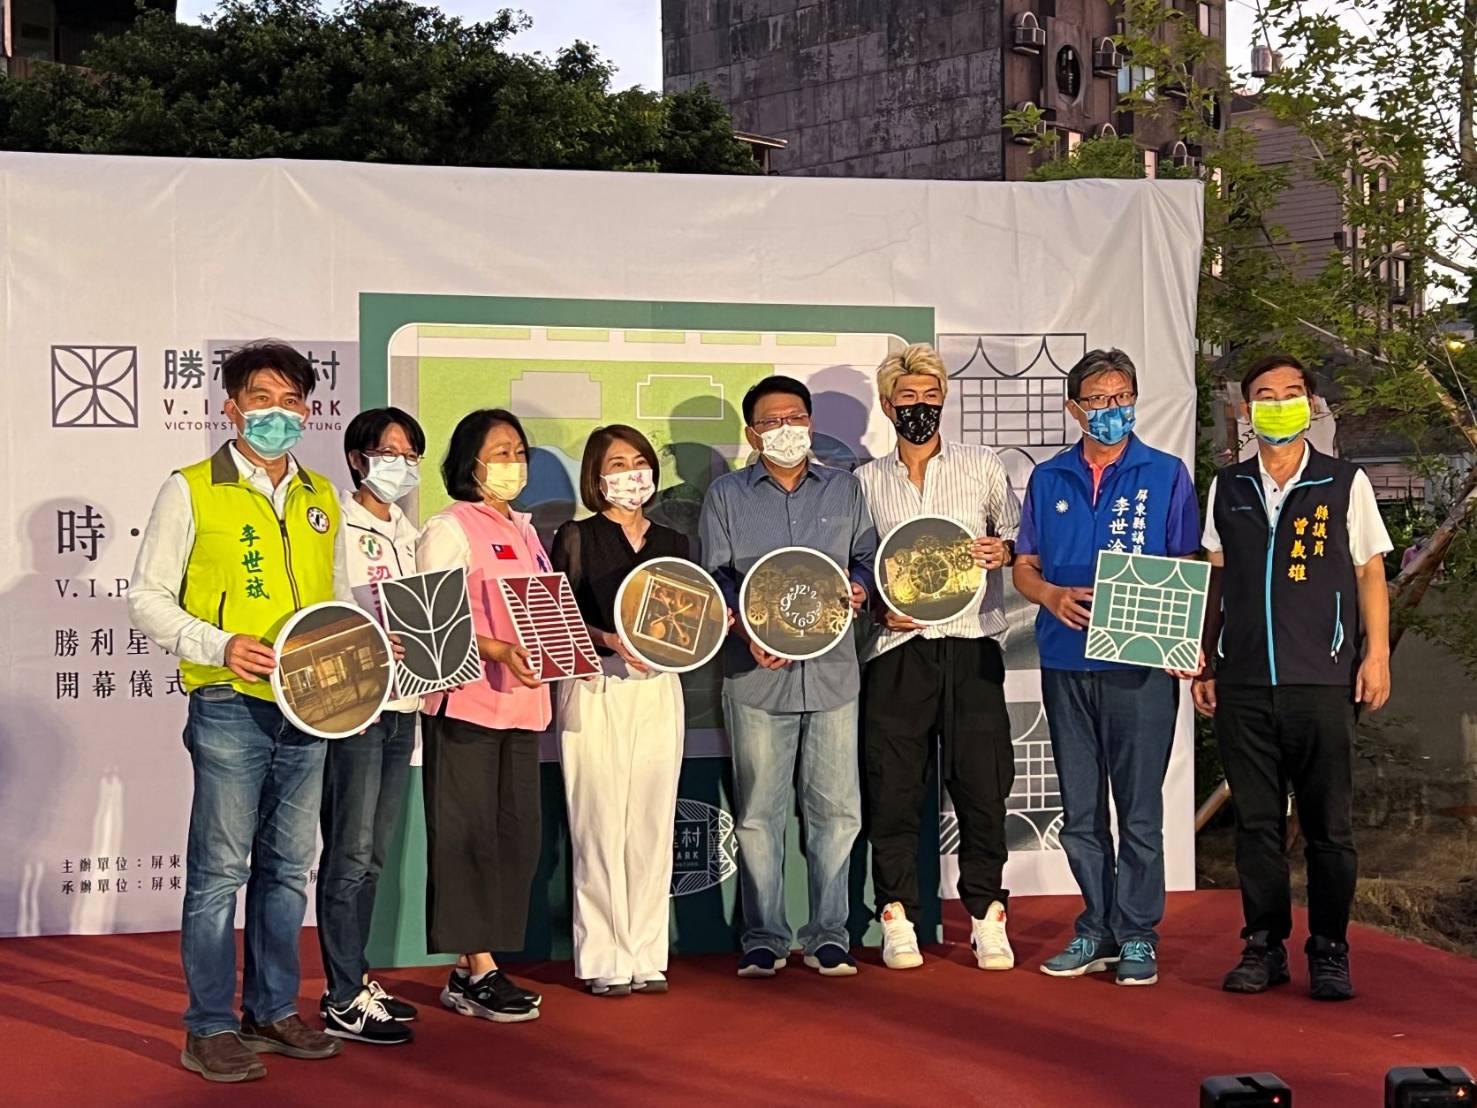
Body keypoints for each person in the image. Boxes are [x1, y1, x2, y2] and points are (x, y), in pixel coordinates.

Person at [128, 341, 348, 1082]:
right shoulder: (191, 488)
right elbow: (147, 597)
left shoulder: (320, 496)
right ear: (231, 407)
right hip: (227, 701)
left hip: (311, 707)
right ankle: (209, 1026)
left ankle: (273, 1011)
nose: (277, 414)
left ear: (308, 410)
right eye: (261, 399)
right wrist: (220, 645)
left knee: (287, 870)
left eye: (291, 401)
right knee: (220, 871)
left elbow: (337, 604)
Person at [1194, 354, 1392, 1002]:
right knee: (1256, 824)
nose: (1278, 404)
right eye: (1264, 395)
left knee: (1328, 827)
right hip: (1244, 682)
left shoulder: (1343, 482)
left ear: (1310, 404)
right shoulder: (1228, 487)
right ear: (1245, 410)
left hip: (1322, 680)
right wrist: (1205, 656)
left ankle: (1329, 949)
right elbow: (1216, 574)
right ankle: (1264, 945)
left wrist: (1376, 655)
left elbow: (1368, 571)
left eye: (1290, 393)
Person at [1012, 349, 1200, 987]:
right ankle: (1096, 925)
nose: (1111, 410)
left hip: (1140, 665)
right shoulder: (1048, 479)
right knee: (1081, 810)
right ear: (1075, 409)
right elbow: (1024, 565)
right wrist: (1049, 596)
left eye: (1121, 397)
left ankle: (1139, 932)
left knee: (1139, 811)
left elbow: (1187, 564)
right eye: (1097, 400)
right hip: (1066, 662)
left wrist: (1184, 641)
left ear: (1135, 401)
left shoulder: (1166, 474)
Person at [699, 375, 877, 979]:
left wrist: (861, 586)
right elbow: (715, 576)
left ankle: (830, 934)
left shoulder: (845, 488)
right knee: (757, 814)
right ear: (753, 434)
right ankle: (764, 937)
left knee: (838, 813)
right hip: (755, 676)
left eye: (795, 417)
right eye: (772, 422)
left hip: (832, 674)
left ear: (811, 423)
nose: (786, 430)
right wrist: (748, 630)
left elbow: (866, 558)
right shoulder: (726, 495)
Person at [855, 343, 1021, 972]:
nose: (920, 406)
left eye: (930, 395)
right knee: (894, 788)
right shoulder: (865, 482)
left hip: (972, 643)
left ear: (945, 399)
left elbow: (1018, 540)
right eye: (908, 397)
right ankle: (897, 915)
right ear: (887, 405)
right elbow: (857, 569)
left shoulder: (981, 465)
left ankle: (987, 915)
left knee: (982, 785)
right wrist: (877, 607)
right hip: (897, 651)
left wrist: (1003, 551)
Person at [415, 408, 548, 1023]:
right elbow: (429, 623)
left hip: (523, 707)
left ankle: (478, 968)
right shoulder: (450, 528)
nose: (513, 463)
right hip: (466, 704)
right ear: (471, 463)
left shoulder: (526, 530)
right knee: (466, 839)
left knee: (514, 839)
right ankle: (478, 969)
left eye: (519, 452)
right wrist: (494, 649)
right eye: (500, 452)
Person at [551, 425, 688, 997]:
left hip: (658, 688)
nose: (631, 474)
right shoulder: (575, 537)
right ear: (596, 476)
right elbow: (557, 619)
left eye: (639, 461)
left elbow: (689, 617)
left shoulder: (674, 541)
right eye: (617, 464)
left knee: (652, 823)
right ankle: (604, 956)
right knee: (598, 822)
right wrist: (607, 639)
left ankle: (646, 954)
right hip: (595, 686)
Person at [315, 408, 426, 1046]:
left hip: (403, 707)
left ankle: (355, 977)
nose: (400, 466)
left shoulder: (410, 533)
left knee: (374, 856)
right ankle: (341, 996)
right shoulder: (335, 523)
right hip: (355, 707)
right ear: (358, 459)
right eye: (388, 454)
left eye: (410, 456)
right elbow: (327, 611)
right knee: (349, 854)